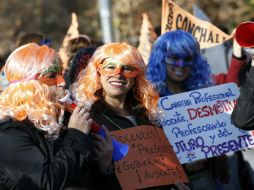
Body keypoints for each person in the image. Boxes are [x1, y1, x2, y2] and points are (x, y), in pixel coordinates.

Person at [71, 42, 190, 190]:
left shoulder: (149, 114)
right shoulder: (89, 119)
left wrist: (175, 181)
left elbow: (163, 163)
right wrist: (106, 167)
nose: (118, 74)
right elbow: (83, 179)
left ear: (136, 77)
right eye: (110, 67)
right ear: (98, 72)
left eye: (127, 69)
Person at [0, 43, 94, 190]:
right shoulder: (9, 134)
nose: (62, 82)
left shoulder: (64, 122)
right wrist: (76, 135)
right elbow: (44, 183)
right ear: (28, 86)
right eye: (51, 76)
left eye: (62, 73)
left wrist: (106, 164)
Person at [146, 30, 229, 190]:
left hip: (207, 177)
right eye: (174, 58)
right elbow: (148, 151)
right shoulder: (149, 100)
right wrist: (179, 168)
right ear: (160, 59)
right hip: (172, 183)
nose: (181, 65)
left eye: (187, 59)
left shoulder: (201, 94)